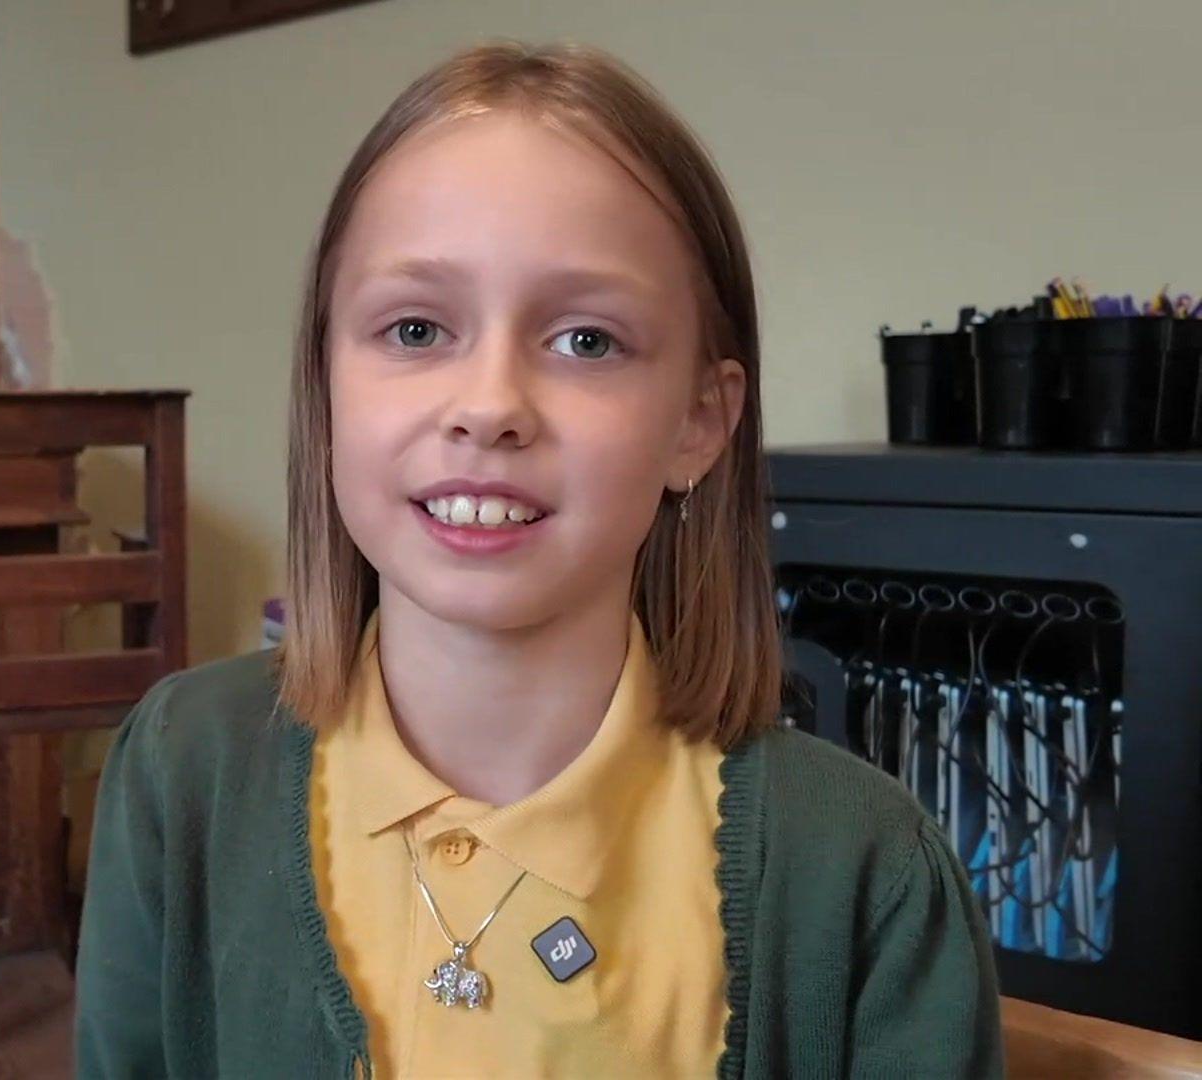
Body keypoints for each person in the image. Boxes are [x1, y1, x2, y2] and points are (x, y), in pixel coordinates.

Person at [75, 40, 1002, 1079]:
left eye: (586, 342)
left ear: (699, 422)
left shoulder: (866, 871)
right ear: (325, 383)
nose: (489, 408)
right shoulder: (180, 766)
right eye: (417, 326)